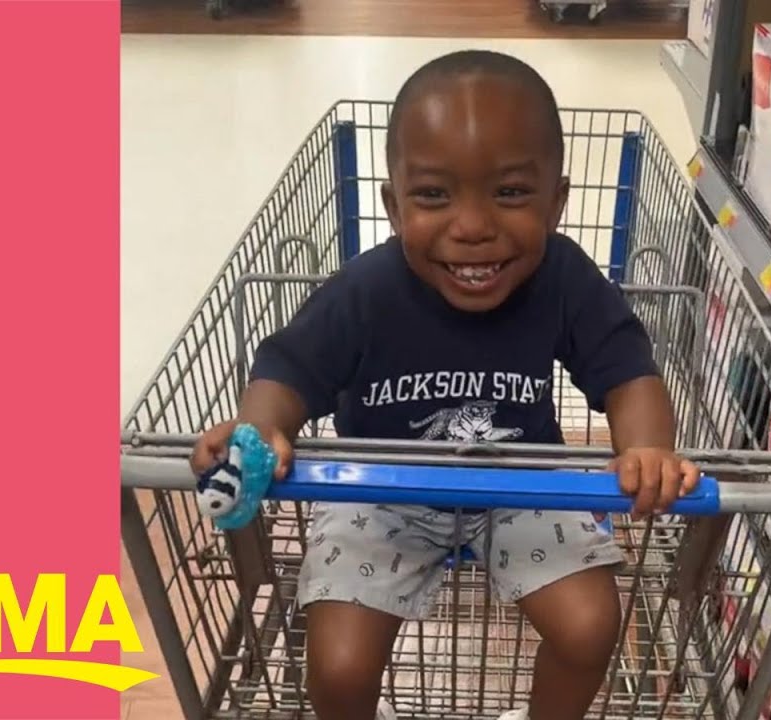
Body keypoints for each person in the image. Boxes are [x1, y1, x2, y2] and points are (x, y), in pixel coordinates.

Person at [191, 49, 699, 720]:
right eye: (434, 195)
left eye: (511, 193)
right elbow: (288, 369)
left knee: (590, 626)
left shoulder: (565, 280)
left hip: (520, 483)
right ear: (394, 207)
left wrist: (648, 449)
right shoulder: (365, 292)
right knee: (339, 664)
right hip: (380, 493)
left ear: (557, 203)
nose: (472, 227)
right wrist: (259, 428)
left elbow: (628, 370)